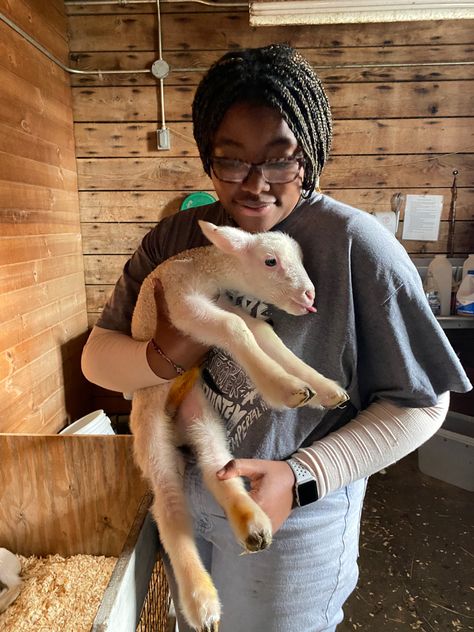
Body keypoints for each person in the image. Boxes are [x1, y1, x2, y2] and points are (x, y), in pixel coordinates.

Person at [82, 44, 471, 632]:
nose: (254, 185)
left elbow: (422, 403)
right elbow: (96, 359)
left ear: (309, 155)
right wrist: (162, 354)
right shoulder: (176, 238)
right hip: (187, 484)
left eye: (280, 160)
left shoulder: (355, 246)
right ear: (208, 158)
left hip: (294, 510)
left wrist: (305, 473)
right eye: (231, 161)